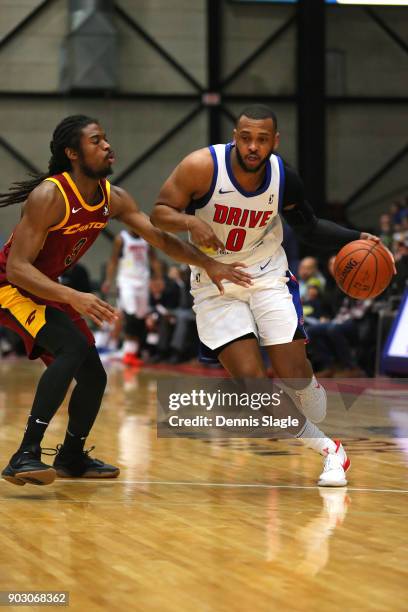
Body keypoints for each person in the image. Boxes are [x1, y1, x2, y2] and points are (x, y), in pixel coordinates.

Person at [0, 114, 251, 487]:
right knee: (70, 349)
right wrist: (74, 296)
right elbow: (19, 268)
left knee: (94, 377)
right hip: (12, 287)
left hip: (47, 288)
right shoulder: (49, 196)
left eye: (105, 138)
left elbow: (160, 239)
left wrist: (209, 263)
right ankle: (25, 454)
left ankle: (71, 457)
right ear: (72, 153)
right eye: (96, 140)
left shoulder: (113, 198)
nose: (106, 146)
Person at [151, 104, 382, 487]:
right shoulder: (201, 167)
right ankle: (331, 451)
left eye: (261, 140)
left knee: (293, 375)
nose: (253, 147)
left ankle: (308, 386)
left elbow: (307, 227)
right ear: (235, 137)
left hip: (267, 276)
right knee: (252, 388)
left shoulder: (284, 179)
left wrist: (354, 237)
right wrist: (190, 220)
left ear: (275, 141)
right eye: (246, 138)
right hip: (215, 284)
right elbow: (159, 212)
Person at [102, 229, 158, 366]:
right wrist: (108, 280)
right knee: (130, 313)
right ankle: (126, 351)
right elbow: (113, 260)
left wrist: (159, 278)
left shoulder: (147, 237)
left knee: (140, 316)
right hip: (126, 281)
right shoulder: (121, 238)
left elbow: (154, 260)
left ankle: (132, 352)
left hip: (143, 280)